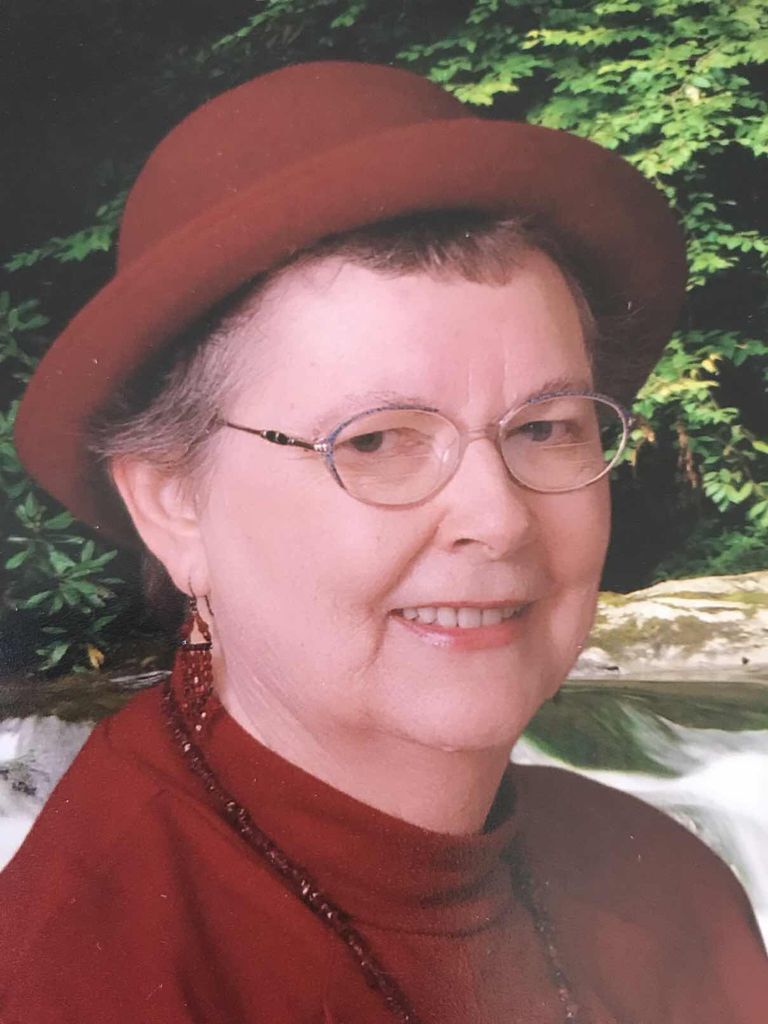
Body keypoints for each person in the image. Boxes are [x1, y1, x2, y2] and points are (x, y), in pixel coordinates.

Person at [1, 61, 766, 1024]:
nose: (499, 516)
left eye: (545, 428)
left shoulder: (668, 891)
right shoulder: (71, 976)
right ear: (173, 508)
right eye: (374, 441)